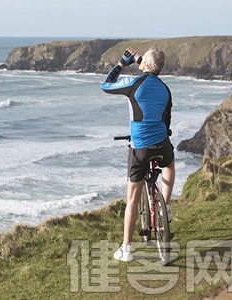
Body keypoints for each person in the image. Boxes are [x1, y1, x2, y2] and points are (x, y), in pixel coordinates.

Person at [101, 46, 175, 262]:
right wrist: (144, 62)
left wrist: (123, 63)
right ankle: (166, 208)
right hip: (162, 145)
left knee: (132, 198)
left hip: (140, 149)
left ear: (146, 65)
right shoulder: (165, 88)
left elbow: (106, 85)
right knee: (170, 164)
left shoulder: (134, 84)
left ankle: (127, 249)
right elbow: (166, 120)